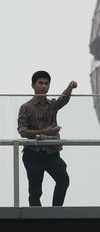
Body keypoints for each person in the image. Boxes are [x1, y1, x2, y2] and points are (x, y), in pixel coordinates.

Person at [17, 71, 77, 206]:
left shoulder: (52, 105)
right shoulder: (25, 108)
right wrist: (45, 131)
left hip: (52, 152)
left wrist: (70, 87)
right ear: (33, 85)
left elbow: (63, 99)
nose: (44, 86)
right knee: (35, 191)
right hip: (33, 153)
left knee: (63, 179)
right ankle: (36, 221)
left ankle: (55, 212)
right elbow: (22, 131)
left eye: (46, 83)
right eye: (40, 83)